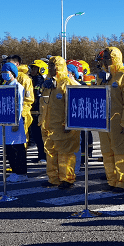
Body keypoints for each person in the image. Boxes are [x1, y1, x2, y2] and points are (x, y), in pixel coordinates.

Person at [95, 47, 124, 193]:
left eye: (108, 58)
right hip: (104, 123)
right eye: (104, 58)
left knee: (122, 153)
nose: (105, 61)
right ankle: (112, 180)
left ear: (114, 58)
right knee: (107, 153)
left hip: (119, 122)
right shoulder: (103, 76)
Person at [39, 56, 81, 189]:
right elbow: (43, 104)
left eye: (53, 66)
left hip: (64, 127)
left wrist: (68, 123)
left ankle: (67, 179)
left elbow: (74, 106)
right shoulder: (49, 84)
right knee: (51, 153)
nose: (50, 68)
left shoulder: (68, 83)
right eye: (49, 66)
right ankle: (54, 178)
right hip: (49, 126)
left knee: (65, 154)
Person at [0, 62, 29, 182]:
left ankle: (21, 172)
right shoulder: (6, 86)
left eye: (6, 72)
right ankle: (14, 170)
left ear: (12, 73)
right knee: (9, 148)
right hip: (6, 121)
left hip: (15, 121)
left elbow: (19, 105)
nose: (4, 75)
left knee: (18, 148)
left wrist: (16, 122)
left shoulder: (18, 87)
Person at [28, 59, 48, 164]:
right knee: (36, 136)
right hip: (34, 112)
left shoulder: (42, 82)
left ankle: (44, 156)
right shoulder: (33, 80)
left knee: (41, 136)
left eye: (34, 68)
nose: (32, 70)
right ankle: (40, 155)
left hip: (40, 113)